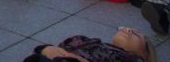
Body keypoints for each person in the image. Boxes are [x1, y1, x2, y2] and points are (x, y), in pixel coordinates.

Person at [27, 29, 156, 62]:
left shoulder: (126, 58)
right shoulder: (89, 40)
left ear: (143, 53)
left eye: (136, 34)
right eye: (128, 28)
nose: (128, 30)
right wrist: (46, 49)